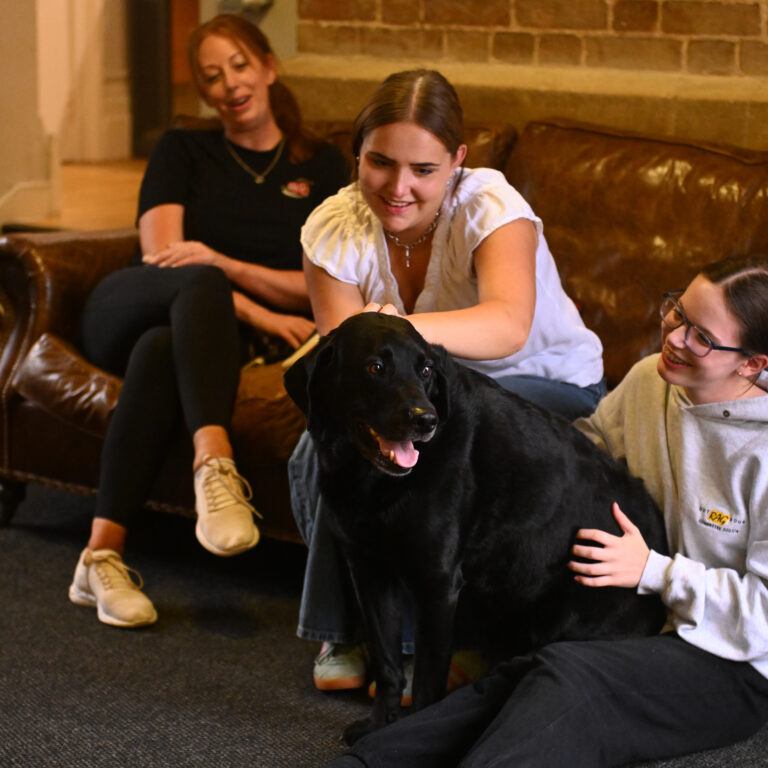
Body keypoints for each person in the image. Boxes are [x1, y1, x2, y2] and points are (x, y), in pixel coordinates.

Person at [323, 253, 768, 767]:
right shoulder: (653, 379)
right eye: (678, 312)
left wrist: (657, 573)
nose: (675, 337)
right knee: (518, 678)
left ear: (753, 363)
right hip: (651, 619)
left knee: (565, 678)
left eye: (702, 337)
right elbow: (585, 450)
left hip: (733, 663)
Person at [288, 69, 606, 694]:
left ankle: (417, 644)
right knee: (324, 443)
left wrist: (398, 325)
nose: (398, 187)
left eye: (424, 170)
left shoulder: (490, 204)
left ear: (457, 161)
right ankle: (343, 628)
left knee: (447, 445)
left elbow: (509, 325)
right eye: (379, 161)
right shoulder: (334, 226)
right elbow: (346, 357)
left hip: (539, 382)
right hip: (421, 390)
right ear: (358, 151)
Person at [67, 13, 348, 629]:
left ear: (269, 67)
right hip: (126, 306)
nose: (229, 84)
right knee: (194, 280)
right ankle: (213, 465)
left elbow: (321, 285)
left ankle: (100, 557)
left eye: (240, 65)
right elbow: (165, 260)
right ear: (203, 92)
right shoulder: (182, 150)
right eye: (212, 76)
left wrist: (225, 265)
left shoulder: (324, 167)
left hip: (189, 339)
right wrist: (259, 310)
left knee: (163, 350)